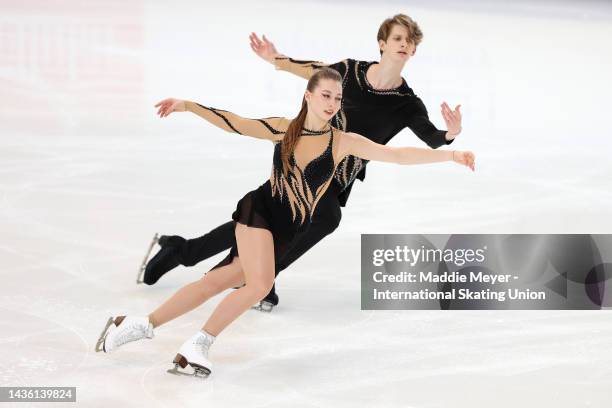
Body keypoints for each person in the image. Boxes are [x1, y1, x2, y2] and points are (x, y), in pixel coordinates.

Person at [97, 68, 475, 378]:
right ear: (308, 96)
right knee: (259, 283)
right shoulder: (284, 128)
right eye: (325, 95)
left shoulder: (343, 142)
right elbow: (235, 122)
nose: (332, 103)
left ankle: (134, 325)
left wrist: (450, 155)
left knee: (215, 282)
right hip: (259, 214)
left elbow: (397, 155)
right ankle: (197, 345)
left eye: (338, 98)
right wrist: (188, 106)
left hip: (285, 230)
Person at [138, 14, 464, 313]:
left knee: (274, 220)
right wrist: (276, 59)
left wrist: (451, 132)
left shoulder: (407, 104)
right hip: (303, 159)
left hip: (338, 177)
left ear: (414, 52)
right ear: (382, 43)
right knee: (298, 217)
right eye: (397, 38)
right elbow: (315, 72)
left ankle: (186, 252)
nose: (404, 45)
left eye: (410, 41)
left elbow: (433, 138)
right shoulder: (349, 71)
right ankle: (245, 271)